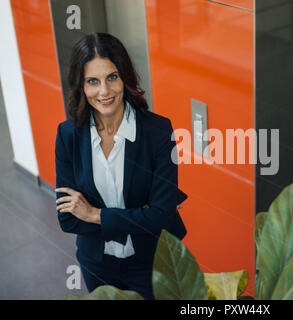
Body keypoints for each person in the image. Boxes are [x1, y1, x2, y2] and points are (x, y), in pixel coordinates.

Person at [54, 32, 187, 300]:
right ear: (81, 86)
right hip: (97, 265)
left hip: (149, 263)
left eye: (112, 77)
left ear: (125, 77)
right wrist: (140, 216)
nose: (104, 91)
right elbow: (67, 219)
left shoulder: (158, 131)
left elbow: (162, 216)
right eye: (93, 81)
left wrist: (94, 215)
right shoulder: (68, 135)